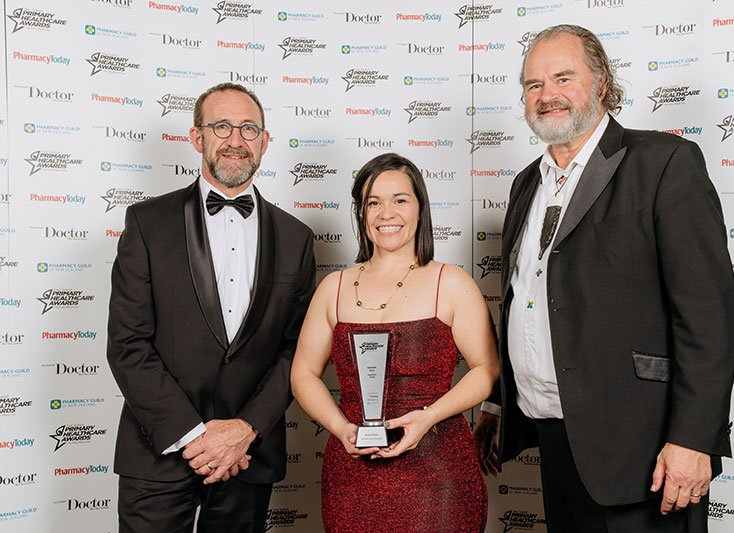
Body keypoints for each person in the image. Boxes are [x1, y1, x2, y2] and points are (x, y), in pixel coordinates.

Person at [473, 25, 734, 532]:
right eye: (533, 85)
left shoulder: (663, 163)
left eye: (562, 78)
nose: (547, 95)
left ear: (600, 81)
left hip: (645, 448)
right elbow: (525, 300)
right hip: (555, 440)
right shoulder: (525, 185)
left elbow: (709, 317)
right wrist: (497, 401)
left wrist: (694, 440)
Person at [106, 82, 316, 533]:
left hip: (247, 458)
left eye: (248, 128)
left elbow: (297, 351)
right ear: (197, 137)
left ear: (265, 142)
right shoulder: (147, 223)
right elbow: (128, 344)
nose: (236, 140)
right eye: (222, 126)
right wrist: (196, 438)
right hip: (158, 453)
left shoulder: (297, 238)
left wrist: (244, 430)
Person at [290, 152, 500, 532]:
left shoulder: (450, 282)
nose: (386, 213)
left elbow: (487, 370)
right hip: (351, 474)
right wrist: (340, 428)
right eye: (374, 202)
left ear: (421, 208)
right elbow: (303, 372)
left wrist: (429, 416)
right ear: (360, 214)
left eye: (400, 200)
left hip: (437, 472)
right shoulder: (332, 288)